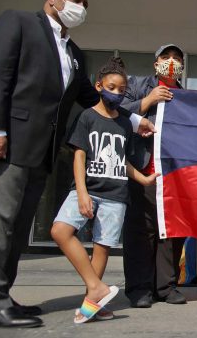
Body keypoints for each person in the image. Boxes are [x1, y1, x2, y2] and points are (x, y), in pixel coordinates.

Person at [0, 0, 152, 328]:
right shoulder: (19, 23)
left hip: (41, 153)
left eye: (86, 3)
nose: (81, 8)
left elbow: (90, 97)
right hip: (7, 145)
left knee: (17, 227)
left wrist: (134, 120)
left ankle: (1, 295)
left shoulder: (73, 52)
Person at [50, 57, 158, 323]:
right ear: (99, 85)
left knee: (102, 247)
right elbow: (79, 157)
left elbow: (123, 161)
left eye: (122, 90)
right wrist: (83, 192)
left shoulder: (123, 123)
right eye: (112, 87)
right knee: (60, 230)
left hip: (115, 196)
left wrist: (143, 180)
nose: (117, 93)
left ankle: (92, 304)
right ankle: (96, 287)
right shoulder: (87, 116)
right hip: (87, 189)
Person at [121, 44, 188, 308]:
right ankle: (139, 288)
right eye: (165, 57)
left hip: (174, 176)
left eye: (177, 58)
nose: (171, 62)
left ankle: (166, 287)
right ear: (155, 63)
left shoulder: (186, 96)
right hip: (142, 171)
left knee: (171, 232)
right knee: (141, 231)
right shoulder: (136, 85)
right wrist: (147, 101)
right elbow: (113, 113)